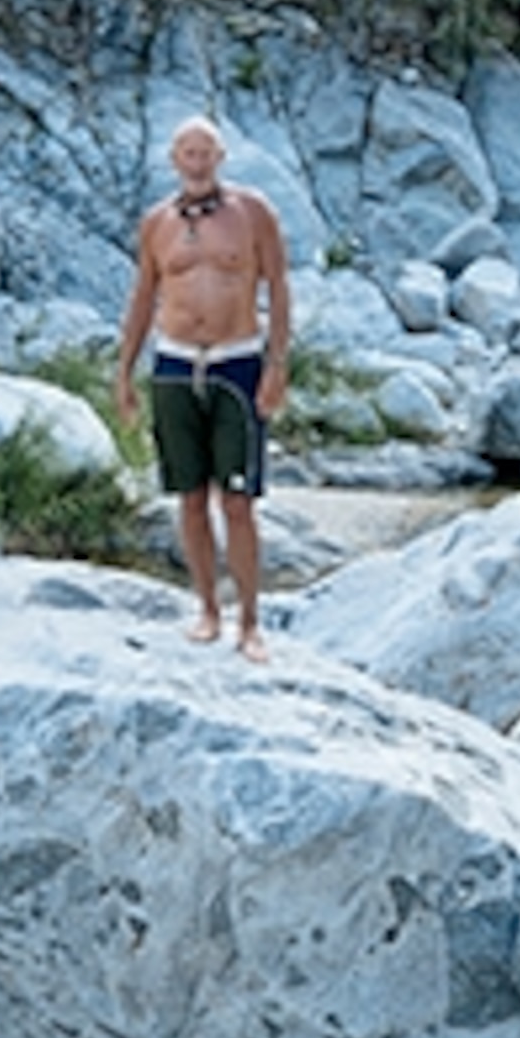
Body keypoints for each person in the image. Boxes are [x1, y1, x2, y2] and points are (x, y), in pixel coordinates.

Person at [114, 114, 291, 662]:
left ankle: (250, 623)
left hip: (236, 364)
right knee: (190, 499)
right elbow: (143, 297)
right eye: (187, 153)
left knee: (237, 502)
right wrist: (123, 372)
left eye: (206, 152)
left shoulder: (253, 212)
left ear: (220, 158)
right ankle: (208, 611)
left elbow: (279, 288)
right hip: (173, 364)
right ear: (174, 160)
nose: (196, 162)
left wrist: (277, 365)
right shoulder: (156, 223)